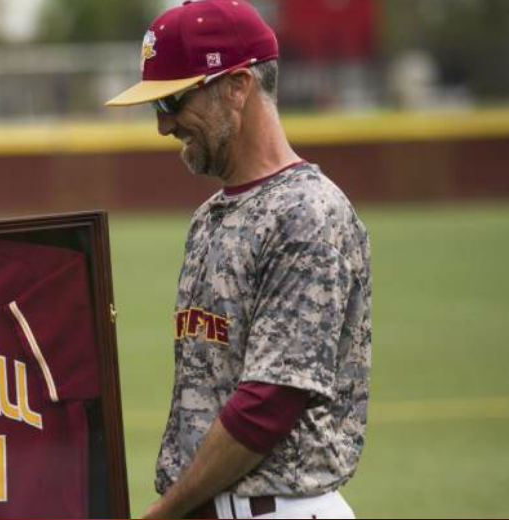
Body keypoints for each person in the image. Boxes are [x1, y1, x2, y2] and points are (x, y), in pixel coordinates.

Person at [104, 1, 371, 518]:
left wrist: (165, 512)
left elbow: (268, 405)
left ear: (238, 86)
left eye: (174, 101)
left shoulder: (307, 213)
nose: (164, 126)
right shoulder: (209, 217)